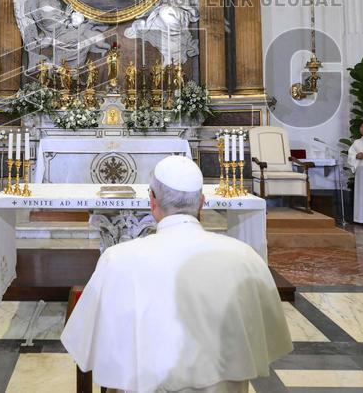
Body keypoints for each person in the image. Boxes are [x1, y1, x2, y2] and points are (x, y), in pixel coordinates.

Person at [62, 156, 292, 392]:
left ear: (152, 201)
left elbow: (83, 344)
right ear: (202, 202)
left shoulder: (117, 260)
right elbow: (271, 339)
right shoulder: (245, 257)